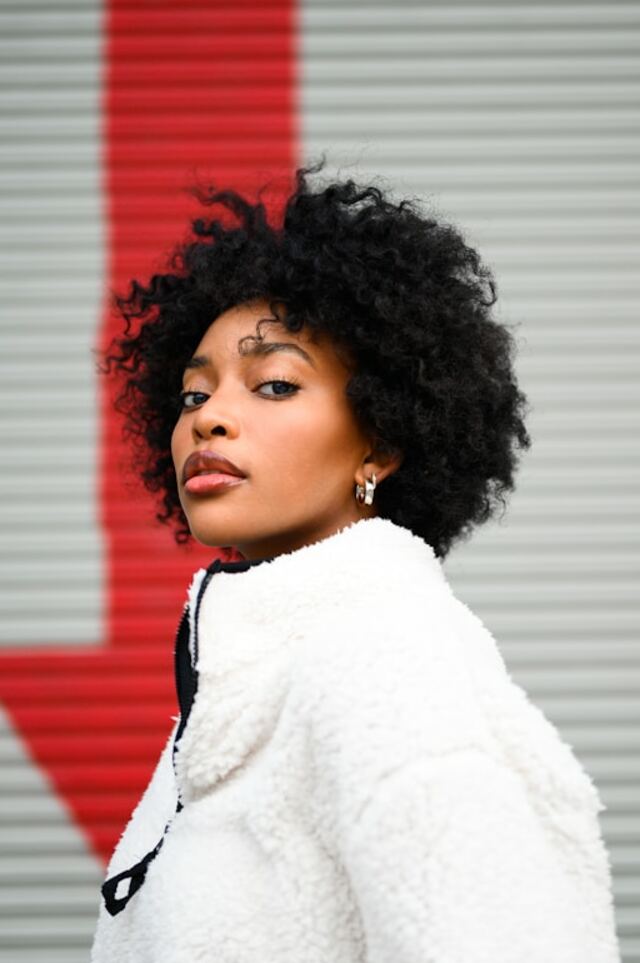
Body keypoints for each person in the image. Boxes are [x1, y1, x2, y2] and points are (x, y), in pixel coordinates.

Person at [90, 161, 621, 962]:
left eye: (274, 384)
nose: (210, 419)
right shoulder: (235, 701)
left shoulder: (387, 668)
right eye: (194, 394)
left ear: (380, 439)